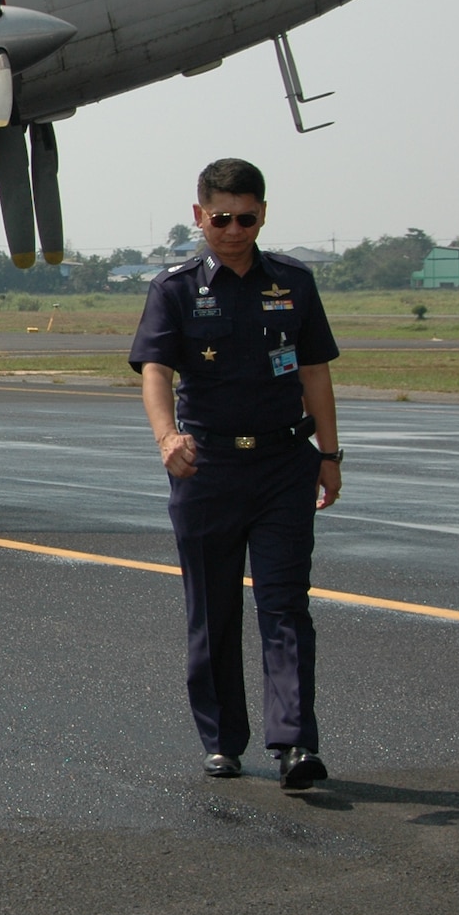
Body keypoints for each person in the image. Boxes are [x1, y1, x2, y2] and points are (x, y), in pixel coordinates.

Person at [129, 158, 342, 790]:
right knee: (213, 608)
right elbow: (155, 371)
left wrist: (329, 456)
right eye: (221, 218)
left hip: (282, 464)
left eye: (246, 218)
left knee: (285, 604)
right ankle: (222, 740)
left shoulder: (295, 283)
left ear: (263, 215)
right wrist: (167, 438)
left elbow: (315, 373)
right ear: (199, 216)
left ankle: (295, 743)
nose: (233, 229)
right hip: (208, 467)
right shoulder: (174, 287)